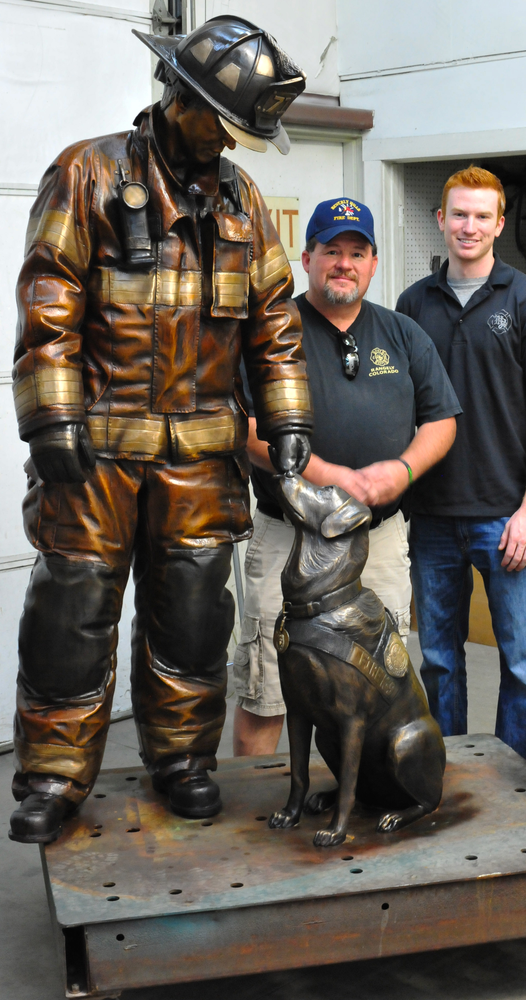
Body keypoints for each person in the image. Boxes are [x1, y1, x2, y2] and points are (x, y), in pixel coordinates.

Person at [9, 16, 315, 844]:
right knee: (71, 615)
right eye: (226, 123)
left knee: (190, 616)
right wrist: (52, 417)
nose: (232, 144)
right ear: (180, 98)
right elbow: (49, 302)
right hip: (96, 456)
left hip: (199, 463)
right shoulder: (89, 174)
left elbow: (275, 322)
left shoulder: (241, 200)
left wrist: (287, 414)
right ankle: (53, 775)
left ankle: (182, 760)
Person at [232, 198, 461, 756]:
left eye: (356, 252)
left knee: (378, 685)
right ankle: (260, 830)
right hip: (292, 543)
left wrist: (403, 469)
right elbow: (243, 428)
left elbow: (442, 421)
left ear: (374, 264)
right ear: (305, 257)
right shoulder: (271, 332)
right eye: (331, 251)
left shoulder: (404, 334)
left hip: (376, 544)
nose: (344, 263)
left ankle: (367, 806)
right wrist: (331, 476)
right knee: (270, 690)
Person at [396, 165, 526, 775]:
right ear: (441, 221)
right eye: (458, 215)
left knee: (523, 661)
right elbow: (402, 407)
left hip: (505, 517)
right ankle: (445, 778)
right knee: (439, 661)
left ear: (499, 224)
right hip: (434, 517)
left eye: (482, 216)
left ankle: (525, 784)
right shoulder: (413, 304)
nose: (469, 226)